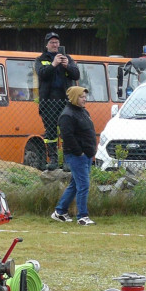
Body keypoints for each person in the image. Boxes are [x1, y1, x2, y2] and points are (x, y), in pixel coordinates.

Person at [50, 86, 96, 226]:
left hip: (87, 154)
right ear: (75, 98)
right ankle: (82, 216)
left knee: (75, 185)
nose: (84, 99)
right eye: (82, 97)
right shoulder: (67, 115)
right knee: (83, 186)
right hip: (77, 156)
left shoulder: (83, 112)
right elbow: (67, 136)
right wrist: (79, 152)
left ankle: (59, 211)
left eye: (85, 97)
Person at [34, 32, 80, 171]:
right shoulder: (41, 59)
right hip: (49, 100)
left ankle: (67, 161)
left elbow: (76, 75)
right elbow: (42, 74)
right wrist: (53, 64)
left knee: (67, 130)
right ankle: (53, 160)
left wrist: (67, 66)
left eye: (57, 42)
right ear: (47, 45)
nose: (55, 45)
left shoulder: (67, 58)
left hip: (65, 100)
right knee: (50, 132)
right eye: (52, 42)